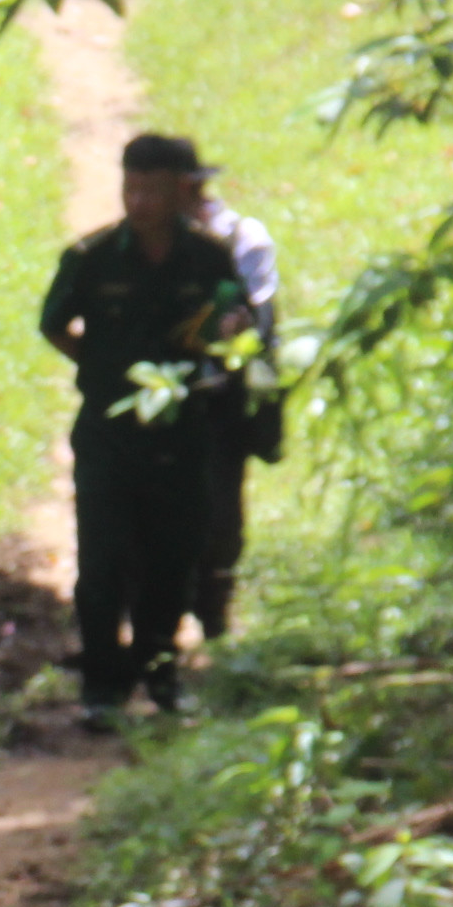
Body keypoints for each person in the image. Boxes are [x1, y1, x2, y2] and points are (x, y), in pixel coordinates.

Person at [38, 130, 253, 726]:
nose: (139, 202)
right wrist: (103, 366)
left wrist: (226, 339)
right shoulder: (93, 258)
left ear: (180, 192)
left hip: (182, 436)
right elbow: (54, 324)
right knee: (102, 562)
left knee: (173, 558)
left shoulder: (209, 258)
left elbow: (237, 323)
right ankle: (102, 688)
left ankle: (162, 675)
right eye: (131, 187)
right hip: (109, 437)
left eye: (152, 190)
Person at [185, 158, 283, 637]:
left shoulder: (244, 239)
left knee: (221, 505)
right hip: (171, 395)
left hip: (223, 398)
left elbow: (260, 320)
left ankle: (214, 610)